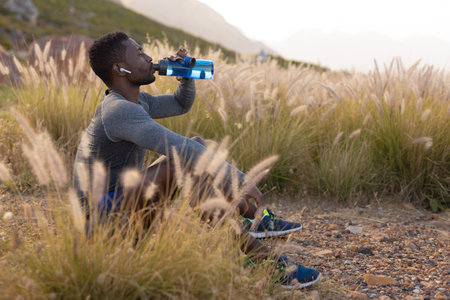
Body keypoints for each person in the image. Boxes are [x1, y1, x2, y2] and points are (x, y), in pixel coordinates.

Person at [73, 31, 321, 288]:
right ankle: (262, 255)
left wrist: (186, 78)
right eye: (138, 53)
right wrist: (240, 180)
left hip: (123, 209)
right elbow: (182, 149)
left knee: (199, 145)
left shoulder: (138, 102)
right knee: (182, 160)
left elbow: (181, 104)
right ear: (120, 68)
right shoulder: (119, 110)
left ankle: (254, 220)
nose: (149, 58)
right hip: (99, 227)